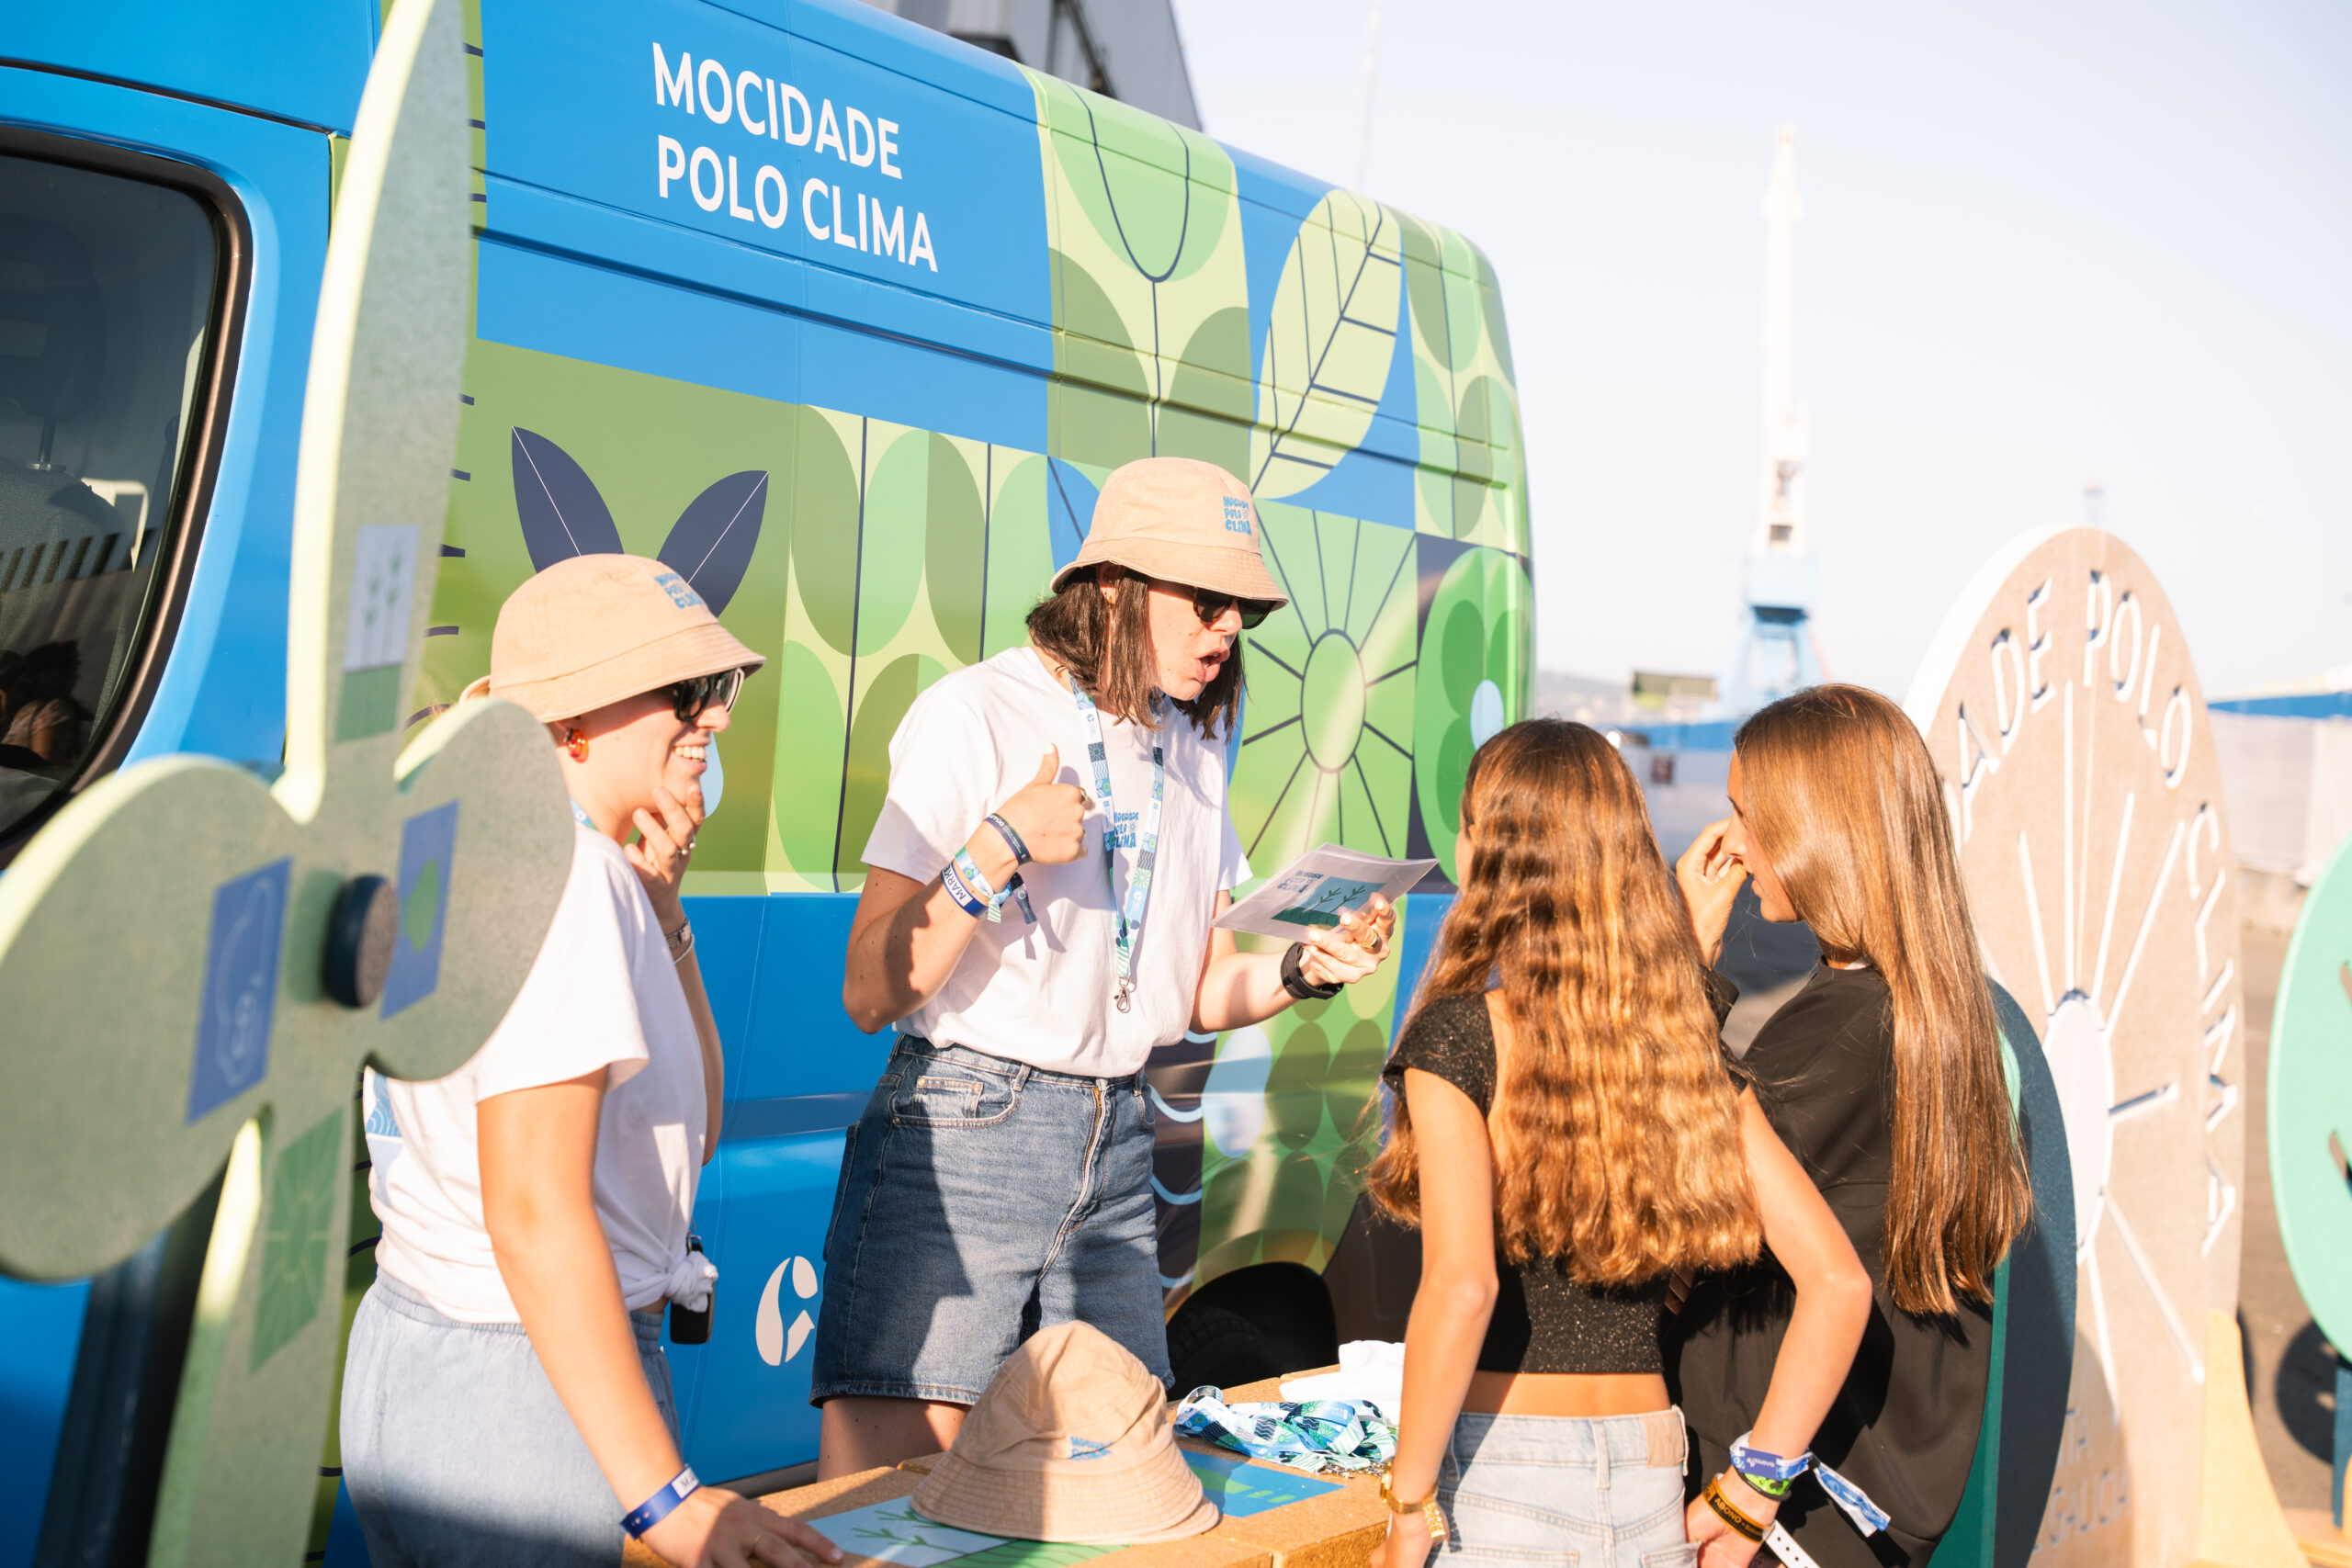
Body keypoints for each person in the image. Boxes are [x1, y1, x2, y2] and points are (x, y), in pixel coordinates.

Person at [815, 457, 1396, 1477]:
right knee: (892, 1497)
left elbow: (1192, 992)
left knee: (1119, 1490)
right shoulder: (977, 713)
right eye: (1208, 600)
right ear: (1117, 586)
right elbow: (869, 988)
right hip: (967, 1120)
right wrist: (994, 847)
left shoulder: (1192, 741)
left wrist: (1308, 969)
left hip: (1120, 1132)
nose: (1227, 629)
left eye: (1243, 613)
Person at [341, 555, 841, 1568]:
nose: (718, 718)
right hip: (521, 1388)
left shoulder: (471, 850)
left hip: (417, 1353)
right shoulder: (568, 880)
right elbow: (532, 1209)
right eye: (686, 693)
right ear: (571, 726)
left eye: (722, 688)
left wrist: (666, 913)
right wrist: (671, 1500)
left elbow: (691, 1119)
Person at [1363, 718, 1872, 1568]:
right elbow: (1838, 1281)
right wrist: (1753, 1493)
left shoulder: (1459, 1039)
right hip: (1648, 1476)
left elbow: (1461, 1288)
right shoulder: (1681, 1047)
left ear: (1487, 851)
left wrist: (1407, 1504)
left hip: (1501, 1476)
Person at [1667, 684, 2034, 1568]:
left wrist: (1687, 964)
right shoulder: (1935, 1019)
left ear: (1815, 830)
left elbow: (1674, 1174)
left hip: (1772, 1508)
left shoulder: (1836, 1033)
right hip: (1863, 1510)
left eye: (1748, 815)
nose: (1736, 844)